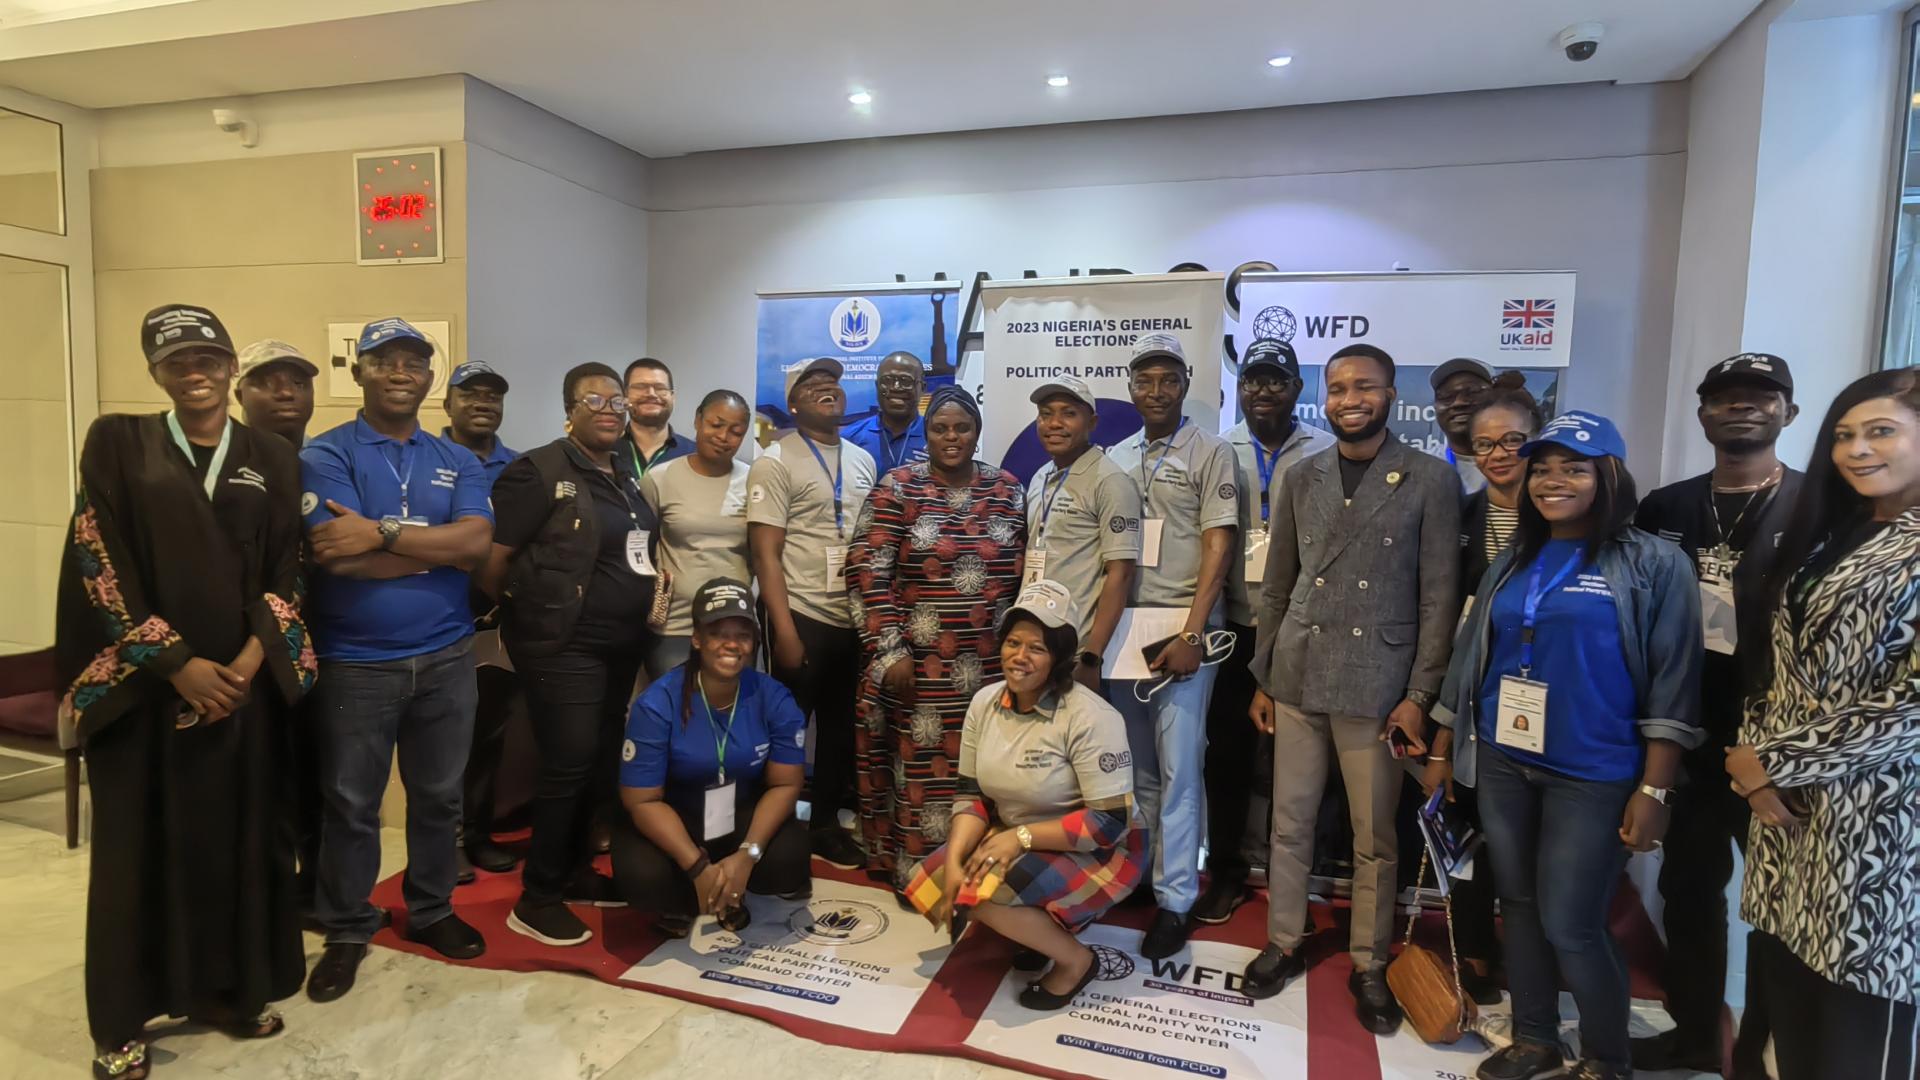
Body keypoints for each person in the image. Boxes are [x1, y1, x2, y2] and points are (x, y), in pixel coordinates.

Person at [57, 304, 313, 1080]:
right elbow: (98, 558)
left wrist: (240, 664)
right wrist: (176, 664)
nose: (195, 371)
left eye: (208, 357)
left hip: (242, 690)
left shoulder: (269, 452)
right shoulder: (118, 442)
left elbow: (285, 569)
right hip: (146, 692)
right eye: (176, 361)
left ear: (231, 367)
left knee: (234, 844)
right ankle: (121, 1024)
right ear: (155, 372)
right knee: (137, 855)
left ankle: (224, 993)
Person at [1428, 410, 1702, 1080]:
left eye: (1573, 467)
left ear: (1606, 476)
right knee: (1516, 904)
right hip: (1503, 761)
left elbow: (1676, 684)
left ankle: (1608, 1059)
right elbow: (1471, 661)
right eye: (1542, 467)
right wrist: (1442, 749)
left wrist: (1656, 788)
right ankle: (1536, 1039)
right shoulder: (1514, 560)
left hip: (1596, 771)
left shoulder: (1653, 564)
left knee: (1572, 921)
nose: (1552, 480)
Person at [1245, 343, 1461, 1034]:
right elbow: (1277, 585)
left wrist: (1420, 696)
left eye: (1364, 386)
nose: (1349, 399)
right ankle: (1283, 939)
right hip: (1299, 675)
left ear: (1393, 395)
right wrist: (1262, 674)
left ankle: (1369, 961)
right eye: (1337, 388)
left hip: (1380, 685)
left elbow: (1439, 599)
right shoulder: (1302, 477)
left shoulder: (1428, 477)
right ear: (1324, 398)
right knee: (1289, 823)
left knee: (1374, 838)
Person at [1727, 369, 1920, 1080]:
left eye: (1881, 431)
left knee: (1854, 1044)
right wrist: (1752, 761)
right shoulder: (1833, 533)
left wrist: (1775, 760)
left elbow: (1915, 705)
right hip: (1791, 829)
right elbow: (1775, 665)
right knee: (1788, 1029)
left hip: (1880, 840)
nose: (1857, 450)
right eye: (1844, 435)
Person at [300, 317, 494, 1002]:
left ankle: (432, 910)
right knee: (351, 803)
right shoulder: (325, 455)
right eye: (386, 361)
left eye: (415, 361)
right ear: (358, 371)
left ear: (430, 376)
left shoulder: (460, 459)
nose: (401, 372)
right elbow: (335, 555)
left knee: (439, 798)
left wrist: (381, 535)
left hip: (447, 654)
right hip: (356, 660)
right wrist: (430, 549)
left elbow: (473, 547)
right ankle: (349, 926)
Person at [1630, 352, 1800, 1075]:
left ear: (1788, 411)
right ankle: (1696, 1031)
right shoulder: (1665, 508)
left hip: (1779, 746)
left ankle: (1764, 1048)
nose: (1741, 407)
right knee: (1689, 893)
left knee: (1778, 911)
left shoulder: (1822, 503)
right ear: (1702, 414)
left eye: (1760, 396)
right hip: (1689, 736)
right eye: (1725, 397)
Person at [472, 362, 659, 945]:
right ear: (569, 410)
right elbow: (493, 562)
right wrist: (529, 613)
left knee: (599, 763)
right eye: (594, 400)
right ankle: (538, 897)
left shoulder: (622, 473)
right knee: (568, 763)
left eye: (616, 402)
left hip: (618, 644)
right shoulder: (538, 470)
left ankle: (576, 872)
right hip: (563, 644)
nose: (609, 410)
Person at [903, 580, 1146, 1010]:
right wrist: (957, 858)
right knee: (933, 879)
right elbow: (971, 795)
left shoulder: (1091, 717)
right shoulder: (984, 702)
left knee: (979, 895)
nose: (1020, 656)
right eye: (1014, 642)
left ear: (1059, 658)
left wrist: (1019, 839)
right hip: (1017, 831)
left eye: (1037, 647)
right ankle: (1038, 930)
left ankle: (1076, 961)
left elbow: (1108, 823)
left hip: (1102, 848)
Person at [848, 386, 1027, 896]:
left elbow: (1023, 576)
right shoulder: (897, 488)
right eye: (940, 429)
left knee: (983, 775)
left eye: (962, 427)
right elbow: (867, 571)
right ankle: (919, 875)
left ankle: (979, 873)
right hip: (919, 667)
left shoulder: (1008, 488)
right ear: (927, 435)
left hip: (993, 669)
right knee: (921, 774)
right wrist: (890, 651)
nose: (952, 437)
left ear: (977, 431)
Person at [1104, 335, 1239, 959]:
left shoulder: (1210, 451)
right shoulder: (1117, 455)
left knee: (1183, 770)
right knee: (1141, 772)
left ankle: (1178, 900)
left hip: (1182, 630)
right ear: (1130, 387)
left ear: (1185, 383)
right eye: (1143, 380)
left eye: (1167, 379)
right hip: (1125, 631)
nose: (1155, 391)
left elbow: (1219, 544)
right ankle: (1147, 874)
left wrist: (1192, 632)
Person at [1201, 339, 1333, 926]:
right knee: (1225, 756)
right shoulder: (1217, 449)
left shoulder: (1325, 451)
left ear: (1297, 390)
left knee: (1299, 764)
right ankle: (1226, 870)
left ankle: (1296, 876)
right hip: (1232, 628)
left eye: (1276, 380)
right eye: (1253, 380)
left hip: (1303, 631)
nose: (1263, 391)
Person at [612, 578, 812, 935]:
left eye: (743, 633)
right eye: (718, 632)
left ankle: (729, 880)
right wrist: (697, 868)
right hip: (677, 815)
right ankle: (700, 891)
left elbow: (785, 784)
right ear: (697, 638)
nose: (732, 644)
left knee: (791, 858)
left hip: (736, 814)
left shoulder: (773, 696)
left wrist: (748, 856)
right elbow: (641, 800)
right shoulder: (658, 703)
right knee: (642, 879)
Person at [747, 358, 879, 869]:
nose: (829, 389)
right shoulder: (775, 461)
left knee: (841, 728)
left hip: (852, 617)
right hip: (800, 611)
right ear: (795, 403)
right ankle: (771, 824)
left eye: (834, 383)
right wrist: (783, 628)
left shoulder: (863, 460)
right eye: (813, 384)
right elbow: (765, 553)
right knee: (787, 727)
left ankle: (824, 824)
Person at [1448, 374, 1544, 1004]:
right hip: (1470, 697)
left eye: (1514, 440)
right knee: (1467, 831)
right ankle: (1474, 949)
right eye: (1485, 445)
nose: (1500, 454)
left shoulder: (1566, 513)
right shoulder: (1460, 514)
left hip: (1547, 701)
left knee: (1534, 843)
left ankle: (1537, 956)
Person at [442, 360, 523, 880]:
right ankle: (442, 841)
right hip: (443, 618)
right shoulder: (427, 458)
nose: (482, 403)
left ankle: (477, 833)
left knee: (488, 734)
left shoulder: (520, 467)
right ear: (448, 402)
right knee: (443, 740)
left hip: (500, 621)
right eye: (470, 394)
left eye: (492, 395)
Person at [1023, 374, 1142, 691]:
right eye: (1046, 414)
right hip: (1034, 644)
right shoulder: (1040, 477)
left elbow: (1121, 572)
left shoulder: (1110, 480)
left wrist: (1092, 657)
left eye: (1068, 413)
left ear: (1092, 422)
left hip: (1075, 651)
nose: (1055, 423)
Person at [638, 389, 753, 680]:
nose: (724, 436)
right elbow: (643, 548)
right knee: (676, 715)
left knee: (728, 718)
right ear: (697, 420)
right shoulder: (659, 479)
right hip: (676, 624)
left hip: (733, 625)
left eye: (736, 431)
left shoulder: (753, 480)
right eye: (716, 424)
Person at [843, 351, 928, 471]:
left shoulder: (936, 436)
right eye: (887, 380)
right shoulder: (851, 438)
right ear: (877, 386)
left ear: (922, 388)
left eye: (906, 381)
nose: (896, 387)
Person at [233, 339, 317, 447]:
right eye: (267, 383)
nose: (286, 393)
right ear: (240, 396)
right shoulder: (219, 460)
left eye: (298, 383)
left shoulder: (329, 459)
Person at [621, 357, 693, 479]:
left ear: (673, 397)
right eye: (640, 387)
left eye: (660, 388)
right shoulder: (604, 451)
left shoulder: (694, 454)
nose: (651, 394)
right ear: (624, 395)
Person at [1432, 357, 1494, 493]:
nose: (1459, 403)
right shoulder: (1421, 468)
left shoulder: (1519, 466)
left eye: (1472, 392)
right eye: (1446, 396)